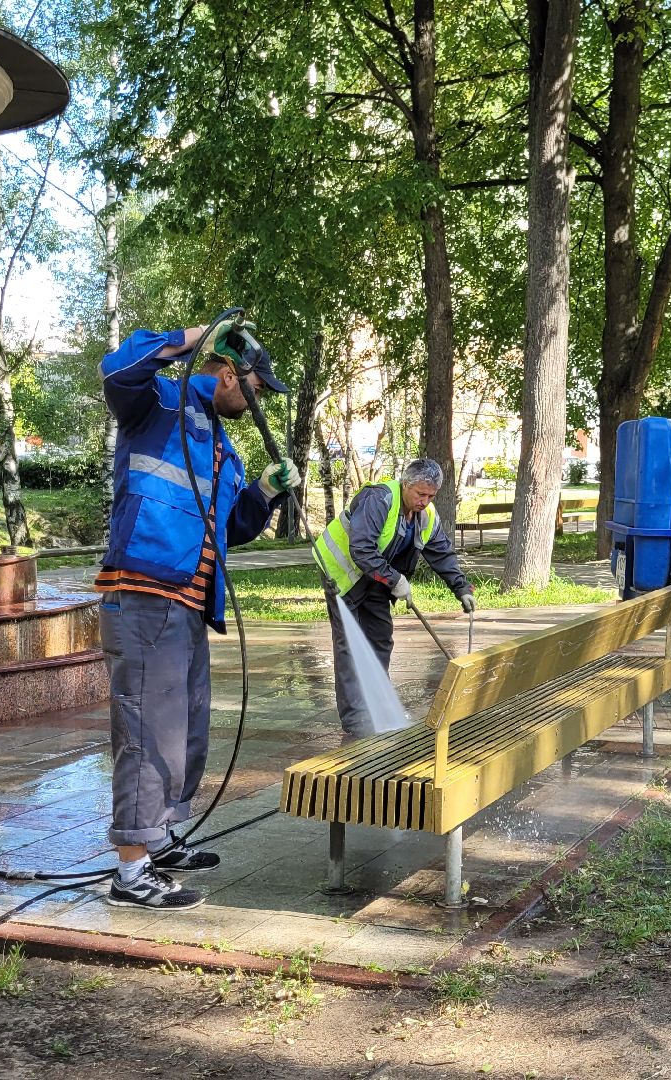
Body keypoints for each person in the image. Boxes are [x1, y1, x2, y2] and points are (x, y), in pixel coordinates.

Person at [97, 322, 299, 911]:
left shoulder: (222, 446)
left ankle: (159, 842)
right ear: (230, 374)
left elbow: (231, 526)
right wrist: (197, 334)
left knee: (184, 730)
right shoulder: (156, 402)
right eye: (257, 389)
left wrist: (263, 491)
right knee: (146, 730)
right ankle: (131, 871)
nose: (257, 402)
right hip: (143, 592)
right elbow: (117, 368)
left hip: (188, 600)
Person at [314, 459, 475, 737]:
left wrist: (461, 588)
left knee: (380, 638)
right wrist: (395, 580)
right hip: (341, 574)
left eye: (430, 496)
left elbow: (441, 553)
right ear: (406, 485)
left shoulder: (427, 516)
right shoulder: (378, 499)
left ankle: (377, 706)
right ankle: (356, 721)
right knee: (349, 646)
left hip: (375, 577)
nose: (424, 501)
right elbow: (362, 549)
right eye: (420, 494)